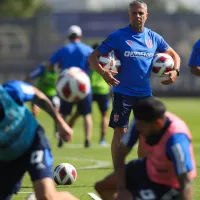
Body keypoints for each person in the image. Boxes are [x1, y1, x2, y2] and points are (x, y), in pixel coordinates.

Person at [88, 0, 181, 162]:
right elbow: (93, 57)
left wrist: (175, 71)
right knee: (120, 133)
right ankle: (119, 171)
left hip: (145, 94)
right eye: (134, 13)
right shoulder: (118, 36)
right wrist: (103, 73)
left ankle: (142, 170)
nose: (137, 16)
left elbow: (175, 56)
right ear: (129, 15)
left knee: (146, 134)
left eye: (140, 13)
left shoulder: (154, 37)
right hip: (122, 93)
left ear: (146, 15)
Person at [95, 98, 196, 200]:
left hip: (170, 184)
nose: (138, 130)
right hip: (149, 167)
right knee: (102, 187)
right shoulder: (139, 121)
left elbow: (186, 182)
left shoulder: (176, 141)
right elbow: (121, 153)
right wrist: (121, 189)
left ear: (158, 123)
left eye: (142, 127)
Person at [0, 80, 79, 200]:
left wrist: (60, 122)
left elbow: (37, 95)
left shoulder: (11, 91)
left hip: (33, 141)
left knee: (46, 196)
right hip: (6, 157)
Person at [45, 25, 93, 148]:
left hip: (66, 87)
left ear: (68, 36)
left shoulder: (64, 49)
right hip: (83, 86)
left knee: (64, 114)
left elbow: (50, 65)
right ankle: (87, 140)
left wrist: (58, 69)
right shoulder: (87, 49)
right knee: (86, 114)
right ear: (80, 36)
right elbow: (95, 63)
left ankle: (61, 139)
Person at [68, 43, 111, 146]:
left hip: (89, 90)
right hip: (102, 90)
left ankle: (65, 134)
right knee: (104, 115)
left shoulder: (90, 61)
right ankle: (102, 139)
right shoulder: (107, 61)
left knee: (78, 113)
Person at [25, 62, 61, 143]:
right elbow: (29, 76)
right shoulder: (43, 69)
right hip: (39, 94)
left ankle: (57, 132)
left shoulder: (60, 71)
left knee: (56, 113)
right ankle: (31, 132)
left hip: (52, 95)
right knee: (35, 112)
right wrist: (24, 86)